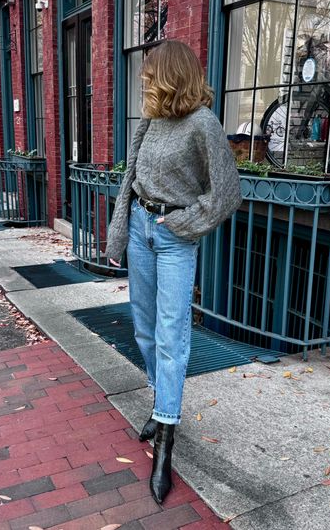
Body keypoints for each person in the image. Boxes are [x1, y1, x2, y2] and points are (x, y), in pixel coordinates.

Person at [105, 40, 242, 504]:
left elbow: (225, 194)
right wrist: (119, 232)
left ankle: (166, 440)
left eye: (149, 75)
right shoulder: (152, 118)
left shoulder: (202, 124)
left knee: (171, 334)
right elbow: (130, 177)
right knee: (144, 330)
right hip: (142, 227)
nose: (143, 81)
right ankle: (161, 404)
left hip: (173, 238)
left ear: (170, 76)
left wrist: (183, 223)